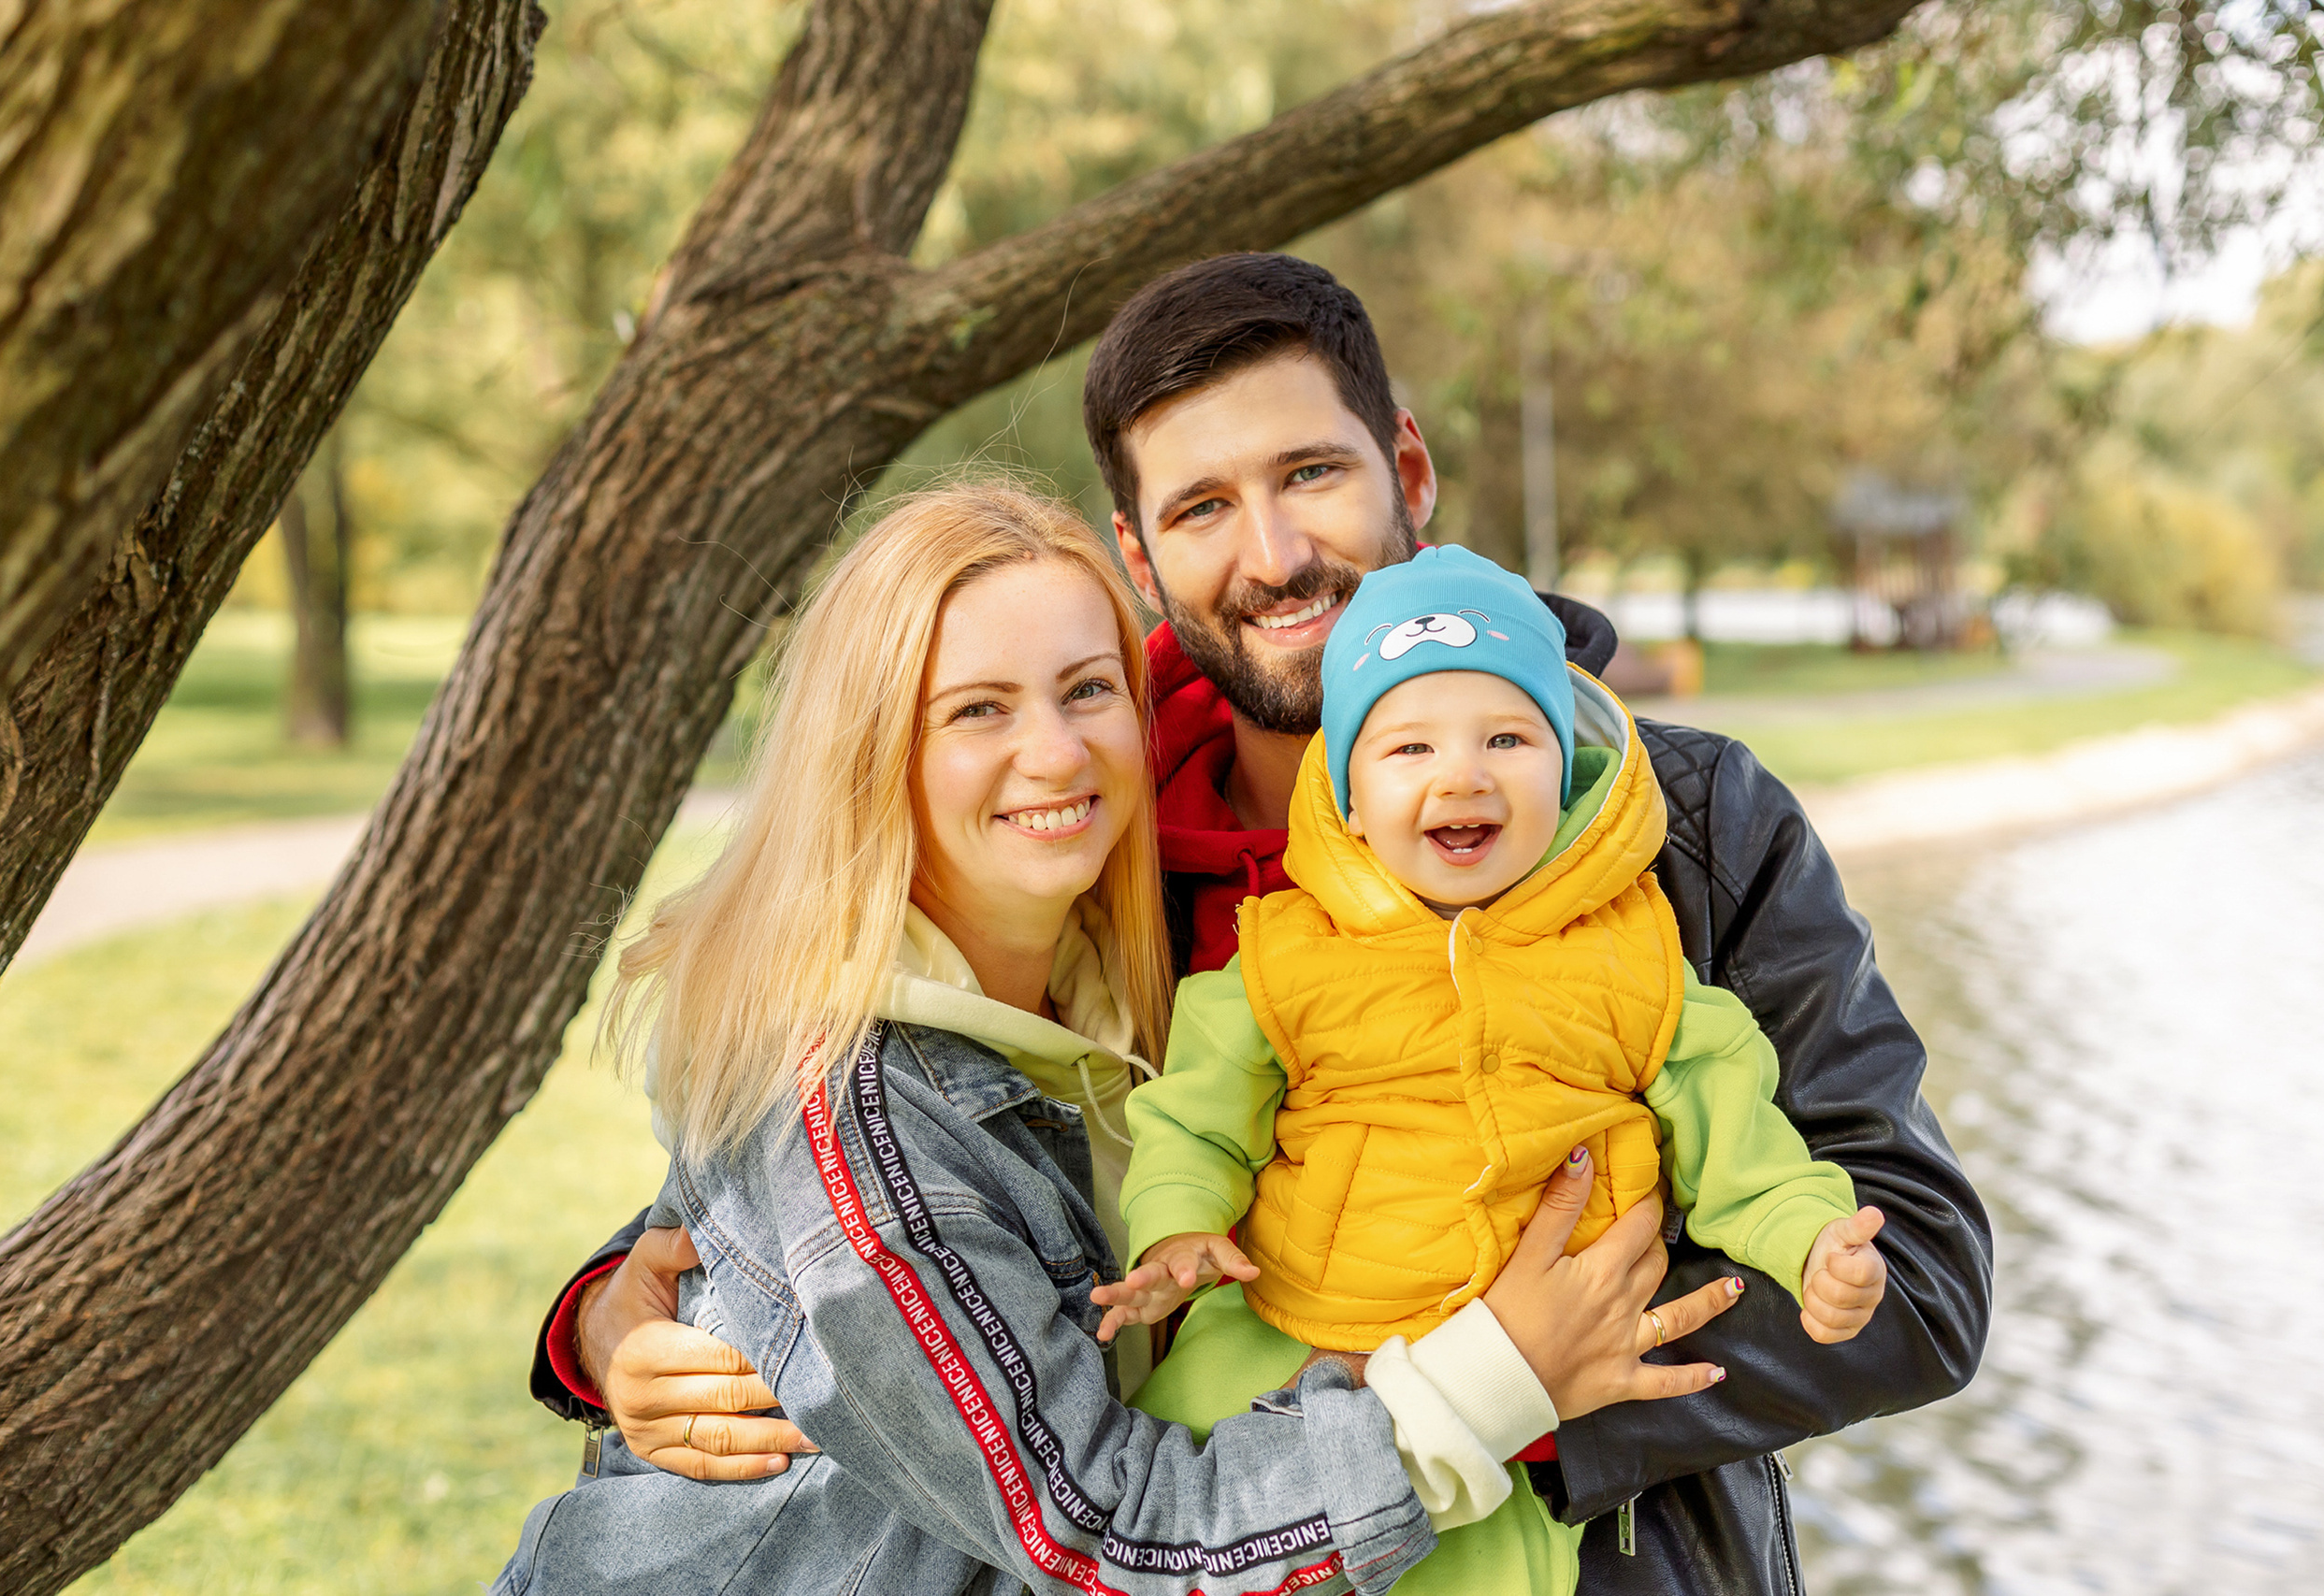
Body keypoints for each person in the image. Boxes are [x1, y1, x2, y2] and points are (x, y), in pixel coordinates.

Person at [532, 254, 1993, 1594]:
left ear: (1405, 464)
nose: (1276, 551)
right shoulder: (1098, 841)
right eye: (1203, 507)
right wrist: (609, 1316)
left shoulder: (1682, 820)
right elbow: (848, 1158)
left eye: (1313, 473)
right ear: (1139, 548)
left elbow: (1919, 1270)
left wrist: (1528, 1397)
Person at [492, 483, 1744, 1595]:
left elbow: (719, 1232)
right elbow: (1107, 1539)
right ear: (870, 751)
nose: (1056, 750)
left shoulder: (1121, 980)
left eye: (1089, 688)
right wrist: (1494, 1375)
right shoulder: (852, 1097)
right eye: (977, 708)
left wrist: (603, 1311)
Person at [1092, 546, 1891, 1594]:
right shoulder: (1285, 953)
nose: (1459, 775)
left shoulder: (1635, 951)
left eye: (1507, 739)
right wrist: (1178, 1223)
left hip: (1545, 1409)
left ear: (1561, 768)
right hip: (1309, 1343)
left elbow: (1735, 1131)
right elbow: (1195, 1115)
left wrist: (1810, 1238)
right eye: (1409, 747)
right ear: (1348, 791)